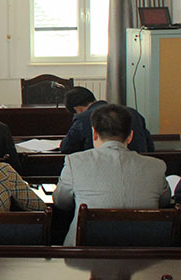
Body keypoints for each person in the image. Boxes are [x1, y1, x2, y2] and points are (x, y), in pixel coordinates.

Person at [53, 104, 170, 246]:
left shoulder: (75, 162)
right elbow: (164, 202)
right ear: (130, 136)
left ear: (94, 133)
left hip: (85, 253)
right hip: (143, 252)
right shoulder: (156, 166)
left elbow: (61, 202)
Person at [60, 86, 154, 154]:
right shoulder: (133, 113)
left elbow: (66, 148)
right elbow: (149, 145)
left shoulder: (82, 118)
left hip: (98, 169)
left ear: (78, 109)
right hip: (138, 167)